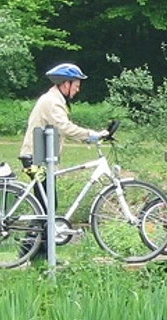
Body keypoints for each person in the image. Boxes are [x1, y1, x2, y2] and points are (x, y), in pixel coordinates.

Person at [17, 63, 107, 259]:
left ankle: (35, 254)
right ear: (65, 83)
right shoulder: (52, 101)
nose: (78, 88)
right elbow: (64, 127)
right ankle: (33, 252)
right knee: (46, 206)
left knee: (46, 206)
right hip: (36, 158)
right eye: (76, 83)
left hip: (40, 157)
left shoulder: (54, 99)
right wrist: (91, 135)